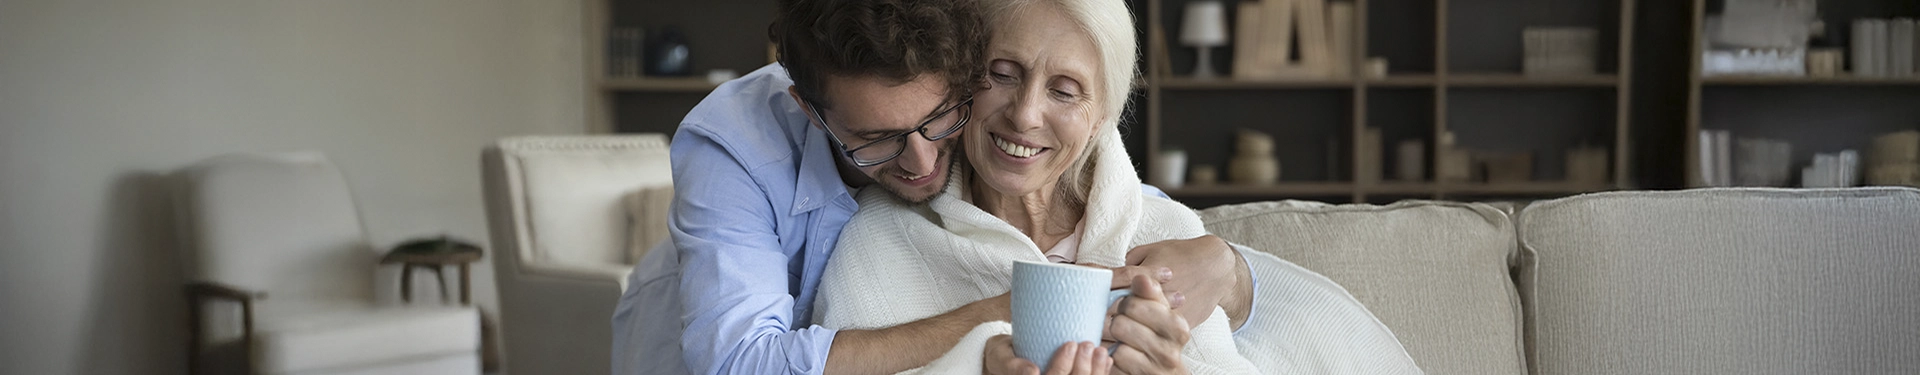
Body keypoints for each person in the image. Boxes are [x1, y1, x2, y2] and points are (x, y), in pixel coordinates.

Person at [610, 0, 1255, 374]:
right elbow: (739, 362)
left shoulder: (1022, 141)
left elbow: (1130, 216)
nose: (920, 162)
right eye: (876, 140)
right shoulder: (733, 143)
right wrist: (999, 313)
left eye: (937, 119)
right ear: (809, 109)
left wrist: (1226, 266)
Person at [810, 0, 1426, 374]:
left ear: (1101, 114)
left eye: (1065, 91)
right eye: (1003, 75)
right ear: (966, 80)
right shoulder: (882, 240)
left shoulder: (1163, 235)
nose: (1025, 115)